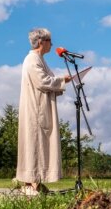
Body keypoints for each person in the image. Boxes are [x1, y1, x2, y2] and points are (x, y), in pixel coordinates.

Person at [16, 28, 72, 195]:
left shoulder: (39, 59)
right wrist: (63, 80)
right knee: (34, 143)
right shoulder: (32, 59)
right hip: (35, 109)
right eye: (49, 41)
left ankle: (36, 182)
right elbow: (42, 81)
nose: (52, 44)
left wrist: (60, 82)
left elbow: (45, 81)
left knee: (39, 143)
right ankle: (30, 183)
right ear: (41, 41)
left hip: (40, 106)